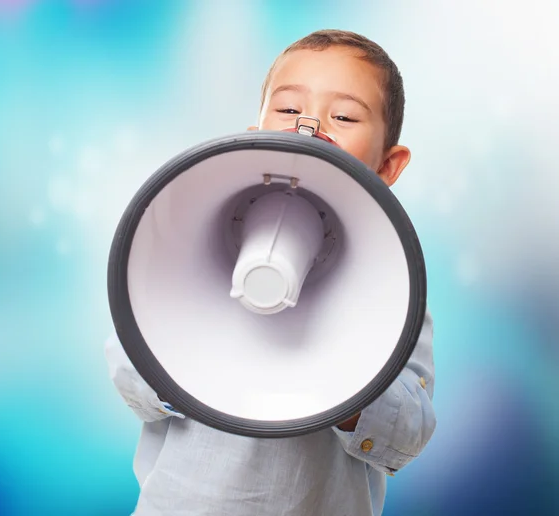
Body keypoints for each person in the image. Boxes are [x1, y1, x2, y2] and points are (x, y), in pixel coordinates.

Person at [105, 29, 436, 516]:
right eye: (286, 109)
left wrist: (346, 377)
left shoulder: (395, 286)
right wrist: (184, 339)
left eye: (343, 116)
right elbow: (129, 374)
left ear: (388, 165)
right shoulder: (171, 254)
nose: (309, 126)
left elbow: (408, 431)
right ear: (252, 133)